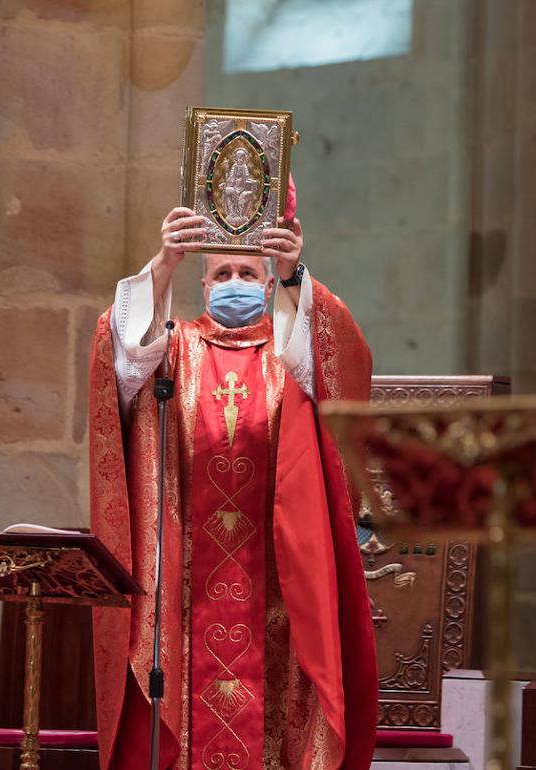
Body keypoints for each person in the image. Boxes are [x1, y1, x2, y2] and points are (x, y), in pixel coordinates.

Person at [88, 183, 378, 769]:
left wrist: (298, 276)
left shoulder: (291, 354)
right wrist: (162, 265)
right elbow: (119, 363)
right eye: (220, 274)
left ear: (268, 285)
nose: (233, 285)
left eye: (248, 273)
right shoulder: (171, 350)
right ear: (201, 284)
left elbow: (342, 368)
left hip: (274, 579)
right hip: (184, 582)